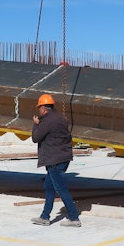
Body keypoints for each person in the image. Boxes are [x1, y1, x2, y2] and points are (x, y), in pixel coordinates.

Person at [31, 93, 81, 227]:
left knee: (61, 189)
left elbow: (36, 138)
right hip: (63, 157)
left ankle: (74, 218)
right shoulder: (61, 118)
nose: (39, 111)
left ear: (43, 108)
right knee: (49, 186)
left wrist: (36, 125)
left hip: (54, 159)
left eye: (39, 108)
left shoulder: (46, 121)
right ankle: (44, 216)